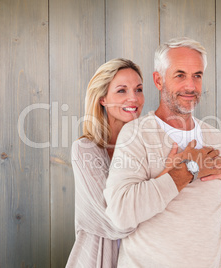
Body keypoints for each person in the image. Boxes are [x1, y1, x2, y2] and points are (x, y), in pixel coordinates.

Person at [104, 37, 221, 268]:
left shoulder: (216, 138)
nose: (190, 86)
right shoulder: (136, 134)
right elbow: (120, 215)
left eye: (197, 75)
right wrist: (188, 170)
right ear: (158, 80)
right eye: (180, 75)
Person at [66, 58, 145, 268]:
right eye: (122, 91)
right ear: (102, 99)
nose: (133, 98)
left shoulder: (147, 147)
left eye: (138, 89)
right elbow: (115, 223)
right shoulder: (85, 150)